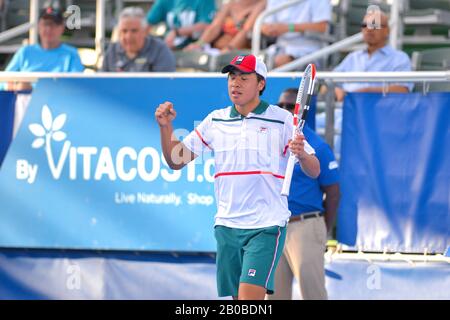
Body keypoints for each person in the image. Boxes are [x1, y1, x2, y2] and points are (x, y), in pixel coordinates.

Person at [155, 54, 320, 300]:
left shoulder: (283, 119)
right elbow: (176, 160)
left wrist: (302, 155)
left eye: (244, 77)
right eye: (232, 77)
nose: (236, 83)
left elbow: (314, 169)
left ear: (261, 84)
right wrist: (165, 127)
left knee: (248, 300)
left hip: (266, 225)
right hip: (227, 226)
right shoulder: (215, 120)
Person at [266, 88, 340, 300]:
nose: (285, 110)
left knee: (313, 295)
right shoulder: (272, 141)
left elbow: (333, 193)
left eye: (291, 106)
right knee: (273, 297)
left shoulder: (316, 145)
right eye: (281, 106)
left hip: (305, 225)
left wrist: (322, 229)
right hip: (275, 227)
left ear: (302, 110)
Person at [332, 9, 413, 101]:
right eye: (364, 25)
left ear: (387, 30)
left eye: (374, 25)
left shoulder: (399, 58)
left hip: (379, 112)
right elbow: (326, 85)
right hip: (344, 110)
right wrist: (337, 91)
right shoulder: (352, 58)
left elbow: (402, 89)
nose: (369, 29)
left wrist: (367, 92)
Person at [3, 6, 84, 90]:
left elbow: (76, 86)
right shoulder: (24, 52)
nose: (49, 29)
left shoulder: (72, 54)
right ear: (39, 26)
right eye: (45, 24)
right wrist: (13, 87)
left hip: (58, 100)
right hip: (24, 100)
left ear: (62, 27)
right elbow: (4, 81)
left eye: (54, 24)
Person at [102, 7, 176, 72]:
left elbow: (165, 84)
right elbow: (102, 81)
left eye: (134, 31)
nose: (128, 36)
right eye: (124, 31)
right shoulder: (112, 51)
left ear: (144, 32)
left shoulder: (160, 50)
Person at [261, 0, 331, 68]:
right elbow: (265, 25)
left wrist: (288, 27)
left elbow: (322, 27)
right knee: (258, 64)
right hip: (279, 48)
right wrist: (266, 29)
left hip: (308, 50)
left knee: (278, 62)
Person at [184, 0, 266, 53]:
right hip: (217, 50)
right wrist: (199, 44)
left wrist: (228, 49)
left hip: (240, 54)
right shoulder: (231, 4)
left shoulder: (262, 4)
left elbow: (245, 31)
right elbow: (214, 26)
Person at [147, 0, 216, 50]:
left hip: (196, 49)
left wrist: (176, 32)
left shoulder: (205, 1)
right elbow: (147, 23)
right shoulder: (164, 2)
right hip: (169, 49)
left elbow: (208, 26)